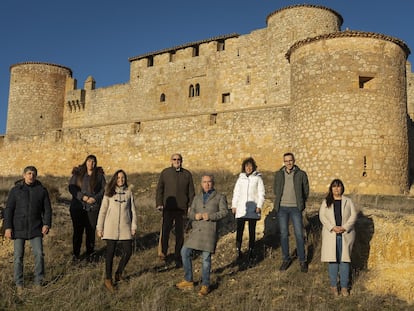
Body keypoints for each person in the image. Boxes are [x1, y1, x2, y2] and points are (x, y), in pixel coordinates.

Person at [175, 174, 228, 296]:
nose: (207, 184)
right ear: (201, 183)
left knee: (205, 259)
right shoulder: (197, 198)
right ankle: (188, 280)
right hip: (196, 231)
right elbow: (190, 213)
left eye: (209, 182)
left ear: (213, 183)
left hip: (209, 231)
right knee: (184, 252)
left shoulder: (220, 197)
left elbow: (224, 212)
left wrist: (210, 216)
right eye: (204, 182)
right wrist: (195, 216)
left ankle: (205, 285)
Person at [4, 166, 52, 294]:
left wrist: (46, 224)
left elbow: (47, 209)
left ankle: (38, 282)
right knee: (18, 257)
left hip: (36, 228)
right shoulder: (15, 190)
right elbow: (8, 209)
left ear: (36, 176)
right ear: (24, 175)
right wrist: (7, 227)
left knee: (39, 254)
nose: (31, 176)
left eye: (34, 174)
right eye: (29, 173)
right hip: (18, 228)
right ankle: (19, 284)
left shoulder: (41, 190)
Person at [97, 169, 137, 292]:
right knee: (110, 253)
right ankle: (108, 279)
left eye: (123, 178)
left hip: (125, 226)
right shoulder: (109, 192)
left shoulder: (129, 193)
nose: (120, 180)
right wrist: (100, 227)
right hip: (110, 227)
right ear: (115, 179)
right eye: (118, 178)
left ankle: (119, 273)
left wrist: (134, 226)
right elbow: (103, 211)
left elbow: (133, 211)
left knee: (128, 251)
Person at [319, 179, 357, 297]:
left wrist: (345, 227)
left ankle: (344, 287)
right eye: (334, 187)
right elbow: (322, 216)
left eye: (339, 186)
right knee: (333, 261)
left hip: (345, 235)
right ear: (331, 189)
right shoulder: (326, 202)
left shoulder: (348, 201)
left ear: (342, 188)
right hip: (332, 235)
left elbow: (353, 215)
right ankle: (334, 286)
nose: (336, 189)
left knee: (344, 261)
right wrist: (332, 227)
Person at [156, 153, 195, 267]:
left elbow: (191, 192)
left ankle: (178, 255)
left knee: (179, 234)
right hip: (168, 208)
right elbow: (160, 189)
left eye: (179, 159)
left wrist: (191, 205)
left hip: (181, 210)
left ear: (181, 161)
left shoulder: (187, 174)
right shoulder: (165, 173)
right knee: (165, 232)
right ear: (171, 160)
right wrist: (159, 203)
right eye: (174, 159)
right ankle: (163, 254)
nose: (177, 161)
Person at [273, 152, 309, 272]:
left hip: (295, 208)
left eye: (290, 160)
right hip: (282, 207)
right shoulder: (279, 174)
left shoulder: (301, 174)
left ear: (294, 161)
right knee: (284, 235)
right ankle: (286, 259)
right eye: (286, 161)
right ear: (284, 162)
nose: (288, 163)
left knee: (299, 234)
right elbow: (275, 189)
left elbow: (306, 190)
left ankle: (302, 260)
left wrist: (301, 203)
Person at [69, 155, 106, 261]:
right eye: (89, 161)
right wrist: (82, 197)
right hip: (78, 207)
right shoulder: (78, 174)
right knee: (78, 232)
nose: (91, 164)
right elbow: (71, 187)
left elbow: (103, 189)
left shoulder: (99, 175)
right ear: (86, 162)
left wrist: (95, 198)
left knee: (90, 231)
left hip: (93, 208)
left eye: (93, 162)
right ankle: (76, 255)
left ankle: (90, 255)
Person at [231, 157, 265, 262]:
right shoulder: (240, 179)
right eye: (246, 166)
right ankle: (238, 250)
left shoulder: (258, 179)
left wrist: (259, 205)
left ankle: (251, 251)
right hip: (241, 208)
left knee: (251, 231)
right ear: (244, 167)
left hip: (253, 208)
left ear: (253, 167)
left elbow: (261, 193)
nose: (248, 168)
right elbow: (236, 193)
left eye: (250, 166)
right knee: (239, 230)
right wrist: (234, 205)